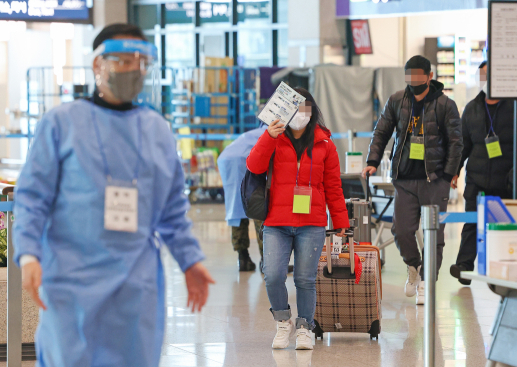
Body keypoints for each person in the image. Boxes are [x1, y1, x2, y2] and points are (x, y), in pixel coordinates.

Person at [13, 24, 215, 367]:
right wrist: (29, 254)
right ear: (98, 65)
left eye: (141, 61)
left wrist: (190, 260)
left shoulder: (157, 130)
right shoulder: (62, 123)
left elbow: (171, 211)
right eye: (123, 60)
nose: (134, 69)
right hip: (71, 279)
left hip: (136, 284)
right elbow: (33, 197)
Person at [246, 88, 349, 350]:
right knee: (272, 275)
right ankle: (283, 322)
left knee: (305, 279)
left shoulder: (325, 144)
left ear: (312, 111)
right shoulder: (274, 137)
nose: (301, 115)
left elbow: (334, 187)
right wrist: (269, 136)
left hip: (311, 223)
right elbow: (254, 166)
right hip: (276, 221)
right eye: (296, 109)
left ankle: (305, 326)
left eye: (306, 108)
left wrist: (341, 223)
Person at [362, 55, 463, 305]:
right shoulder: (397, 100)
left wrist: (449, 174)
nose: (414, 81)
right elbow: (381, 131)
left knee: (434, 235)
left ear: (429, 76)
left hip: (434, 179)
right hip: (404, 179)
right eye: (410, 76)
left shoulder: (445, 104)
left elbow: (455, 142)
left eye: (419, 76)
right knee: (402, 229)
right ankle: (414, 266)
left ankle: (427, 283)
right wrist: (372, 161)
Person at [449, 61, 517, 285]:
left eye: (488, 75)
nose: (484, 80)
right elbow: (463, 144)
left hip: (508, 178)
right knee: (472, 221)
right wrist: (455, 171)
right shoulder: (472, 108)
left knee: (508, 226)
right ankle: (464, 266)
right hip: (477, 177)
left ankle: (510, 268)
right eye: (481, 76)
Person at [218, 124, 267, 271]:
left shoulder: (252, 133)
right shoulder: (274, 132)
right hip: (247, 166)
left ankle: (243, 257)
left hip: (229, 162)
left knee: (236, 209)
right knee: (259, 208)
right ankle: (266, 260)